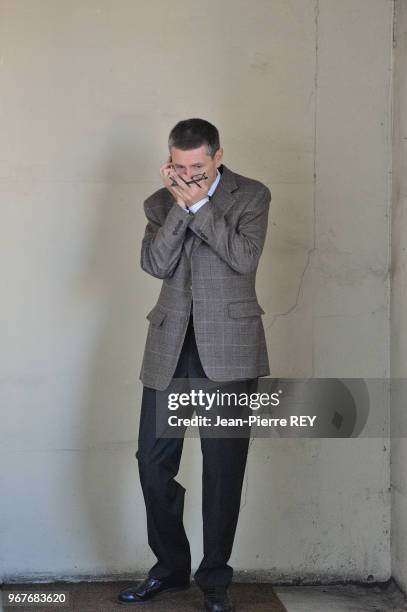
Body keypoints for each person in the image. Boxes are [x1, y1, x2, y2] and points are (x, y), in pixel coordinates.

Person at [117, 118, 271, 611]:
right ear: (169, 160)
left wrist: (200, 205)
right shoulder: (160, 202)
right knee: (152, 464)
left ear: (218, 156)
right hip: (171, 346)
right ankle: (170, 568)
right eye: (180, 167)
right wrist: (179, 209)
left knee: (223, 471)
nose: (188, 176)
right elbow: (156, 265)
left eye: (199, 168)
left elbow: (243, 258)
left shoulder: (252, 196)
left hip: (227, 349)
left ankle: (215, 584)